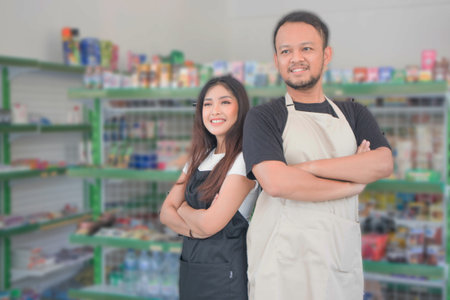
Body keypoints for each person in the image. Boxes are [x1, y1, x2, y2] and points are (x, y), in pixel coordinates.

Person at [242, 11, 394, 300]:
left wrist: (306, 168)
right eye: (286, 51)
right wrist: (352, 182)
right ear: (276, 61)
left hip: (337, 265)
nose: (295, 58)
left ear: (326, 55)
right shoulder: (263, 117)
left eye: (306, 48)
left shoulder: (353, 114)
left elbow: (382, 163)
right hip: (281, 266)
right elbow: (276, 183)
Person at [160, 75, 258, 300]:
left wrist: (183, 209)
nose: (214, 110)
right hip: (191, 271)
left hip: (225, 278)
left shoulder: (244, 160)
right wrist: (198, 226)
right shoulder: (199, 156)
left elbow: (210, 223)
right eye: (207, 104)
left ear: (240, 108)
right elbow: (165, 212)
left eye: (224, 102)